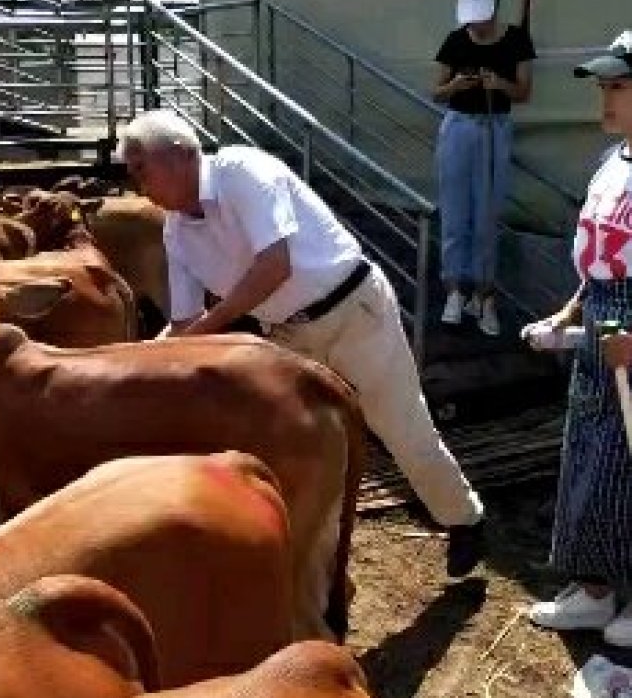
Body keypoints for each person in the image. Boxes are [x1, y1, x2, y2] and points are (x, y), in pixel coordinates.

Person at [121, 109, 486, 578]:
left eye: (139, 169)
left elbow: (275, 265)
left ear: (177, 156)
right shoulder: (175, 233)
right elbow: (185, 322)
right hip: (288, 335)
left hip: (354, 311)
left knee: (401, 428)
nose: (136, 184)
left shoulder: (242, 171)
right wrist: (136, 361)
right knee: (297, 448)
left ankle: (464, 518)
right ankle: (314, 562)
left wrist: (211, 325)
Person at [528, 31, 632, 644]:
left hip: (627, 319)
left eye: (619, 86)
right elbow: (599, 263)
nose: (606, 99)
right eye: (605, 86)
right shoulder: (612, 163)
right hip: (604, 317)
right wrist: (570, 314)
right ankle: (595, 588)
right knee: (591, 456)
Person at [433, 0, 535, 337]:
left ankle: (485, 294)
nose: (475, 26)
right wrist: (456, 84)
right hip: (459, 126)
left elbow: (523, 93)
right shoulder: (455, 41)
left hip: (495, 127)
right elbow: (437, 91)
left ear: (495, 9)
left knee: (487, 215)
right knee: (455, 211)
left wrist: (500, 84)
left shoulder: (516, 41)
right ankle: (455, 290)